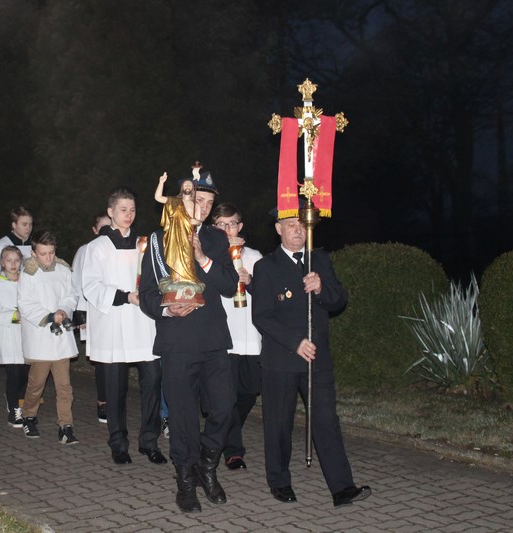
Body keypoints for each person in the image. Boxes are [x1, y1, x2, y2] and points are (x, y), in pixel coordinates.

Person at [251, 211, 371, 507]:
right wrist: (295, 343)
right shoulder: (265, 267)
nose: (298, 231)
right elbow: (261, 316)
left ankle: (342, 488)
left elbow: (339, 300)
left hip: (317, 358)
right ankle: (279, 481)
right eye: (290, 226)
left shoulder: (320, 260)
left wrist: (321, 288)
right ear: (278, 229)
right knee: (279, 423)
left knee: (326, 420)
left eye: (302, 226)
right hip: (281, 359)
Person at [139, 166, 239, 513]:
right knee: (182, 416)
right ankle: (185, 480)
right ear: (183, 198)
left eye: (210, 202)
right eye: (199, 200)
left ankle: (206, 466)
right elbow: (147, 293)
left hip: (213, 339)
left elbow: (229, 286)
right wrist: (166, 310)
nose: (205, 207)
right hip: (177, 340)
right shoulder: (158, 239)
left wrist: (203, 259)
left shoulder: (217, 239)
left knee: (224, 407)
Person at [82, 187, 165, 465]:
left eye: (132, 210)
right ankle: (118, 443)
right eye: (122, 210)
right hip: (114, 323)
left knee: (153, 380)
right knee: (115, 389)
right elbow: (91, 286)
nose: (128, 215)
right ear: (111, 212)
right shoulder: (97, 247)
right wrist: (126, 296)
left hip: (143, 323)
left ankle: (149, 441)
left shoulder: (145, 244)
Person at [211, 203, 263, 471]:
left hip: (251, 336)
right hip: (224, 336)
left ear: (240, 227)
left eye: (231, 224)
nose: (227, 229)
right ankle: (233, 450)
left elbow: (267, 293)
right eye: (221, 225)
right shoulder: (211, 257)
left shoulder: (255, 256)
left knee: (249, 392)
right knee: (227, 397)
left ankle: (220, 433)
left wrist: (251, 281)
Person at [18, 230, 79, 444]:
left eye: (51, 253)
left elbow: (71, 295)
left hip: (60, 339)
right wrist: (49, 316)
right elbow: (25, 304)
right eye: (43, 254)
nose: (48, 258)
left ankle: (66, 426)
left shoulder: (63, 269)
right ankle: (29, 416)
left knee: (64, 386)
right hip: (41, 338)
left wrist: (63, 310)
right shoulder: (28, 273)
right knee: (36, 384)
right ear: (34, 253)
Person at [70, 212, 111, 423]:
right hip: (92, 312)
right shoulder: (85, 250)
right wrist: (79, 313)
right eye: (102, 228)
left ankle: (116, 400)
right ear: (95, 230)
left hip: (114, 311)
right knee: (101, 360)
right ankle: (103, 401)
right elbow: (77, 282)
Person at [0, 246, 29, 429]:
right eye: (8, 260)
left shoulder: (26, 281)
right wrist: (12, 316)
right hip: (8, 334)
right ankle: (14, 409)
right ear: (2, 263)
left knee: (25, 372)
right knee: (13, 372)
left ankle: (19, 400)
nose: (13, 264)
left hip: (25, 334)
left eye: (16, 260)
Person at [154, 168, 200, 285]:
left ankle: (188, 278)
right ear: (182, 188)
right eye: (186, 185)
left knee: (188, 257)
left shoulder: (196, 205)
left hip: (188, 236)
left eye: (190, 185)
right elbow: (158, 197)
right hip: (175, 235)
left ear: (193, 188)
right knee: (175, 256)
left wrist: (196, 221)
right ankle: (176, 279)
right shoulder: (174, 201)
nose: (188, 186)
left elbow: (199, 221)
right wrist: (161, 182)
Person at [0, 206, 34, 276]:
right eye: (24, 224)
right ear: (14, 225)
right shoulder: (0, 246)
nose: (28, 228)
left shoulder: (36, 244)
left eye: (30, 224)